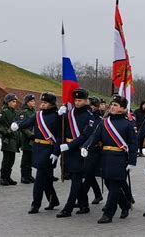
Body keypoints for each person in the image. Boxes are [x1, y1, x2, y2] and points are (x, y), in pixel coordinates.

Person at [82, 95, 137, 224]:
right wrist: (86, 147)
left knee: (114, 186)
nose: (112, 107)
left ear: (122, 108)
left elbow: (133, 144)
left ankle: (108, 214)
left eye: (116, 105)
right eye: (111, 104)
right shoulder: (104, 122)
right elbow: (95, 137)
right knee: (109, 183)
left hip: (119, 158)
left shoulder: (128, 124)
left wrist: (132, 161)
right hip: (105, 157)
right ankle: (124, 204)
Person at [12, 92, 61, 214]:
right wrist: (17, 125)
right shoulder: (38, 115)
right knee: (47, 179)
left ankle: (36, 204)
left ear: (51, 104)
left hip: (49, 150)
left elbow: (60, 137)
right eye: (42, 102)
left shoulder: (57, 116)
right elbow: (28, 122)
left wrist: (56, 152)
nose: (42, 104)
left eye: (45, 103)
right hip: (38, 148)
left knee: (39, 179)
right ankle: (53, 200)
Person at [56, 88, 95, 218]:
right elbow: (60, 127)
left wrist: (69, 146)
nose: (77, 102)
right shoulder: (70, 113)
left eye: (80, 100)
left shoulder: (89, 116)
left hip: (79, 151)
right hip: (68, 151)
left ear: (86, 101)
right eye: (75, 100)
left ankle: (68, 208)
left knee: (76, 180)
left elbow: (85, 136)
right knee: (74, 178)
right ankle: (84, 205)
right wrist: (59, 114)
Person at [0, 93, 20, 186]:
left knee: (12, 159)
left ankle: (8, 177)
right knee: (6, 159)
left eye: (15, 101)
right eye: (13, 101)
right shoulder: (4, 112)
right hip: (7, 138)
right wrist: (6, 132)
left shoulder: (15, 112)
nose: (15, 103)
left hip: (14, 138)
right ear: (7, 102)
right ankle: (3, 178)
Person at [18, 94, 36, 184]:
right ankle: (24, 176)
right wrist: (30, 135)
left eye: (34, 101)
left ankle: (29, 175)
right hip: (26, 138)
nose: (34, 103)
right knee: (25, 158)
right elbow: (22, 126)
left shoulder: (35, 112)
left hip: (33, 138)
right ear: (27, 102)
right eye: (32, 101)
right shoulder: (24, 113)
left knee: (31, 157)